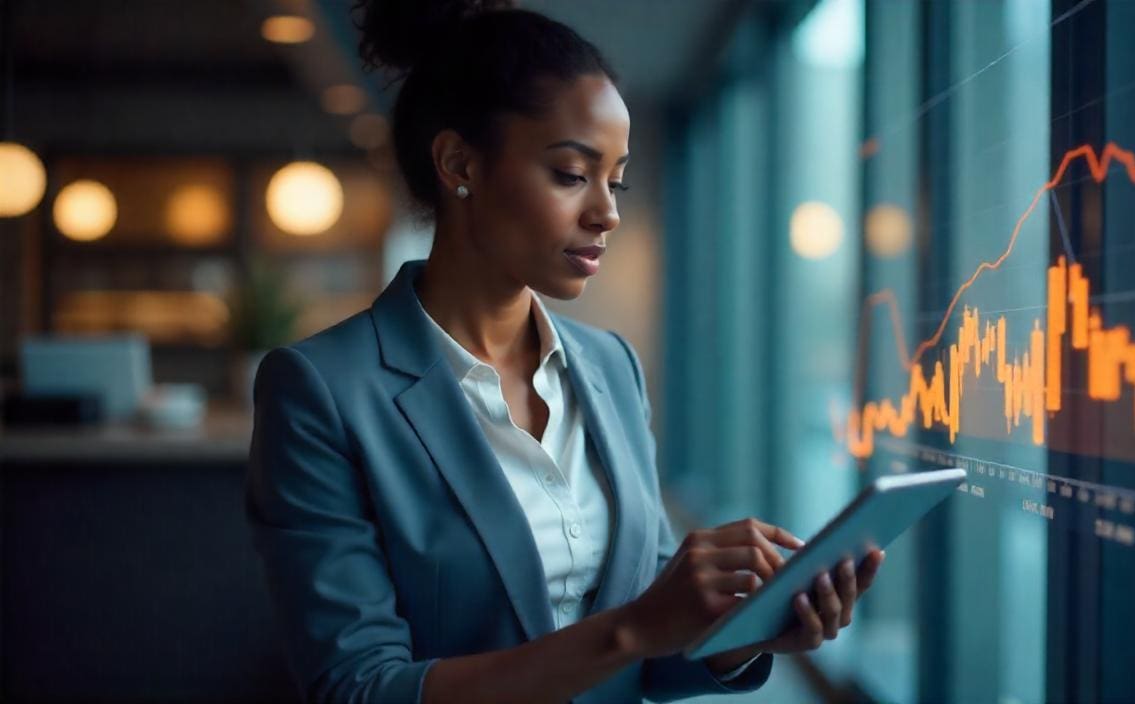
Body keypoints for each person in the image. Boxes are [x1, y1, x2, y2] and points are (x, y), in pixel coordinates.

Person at [244, 1, 884, 702]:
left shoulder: (611, 366)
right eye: (574, 174)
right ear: (460, 163)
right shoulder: (322, 391)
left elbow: (649, 651)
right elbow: (357, 689)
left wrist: (744, 635)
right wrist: (635, 628)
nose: (607, 212)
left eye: (617, 180)